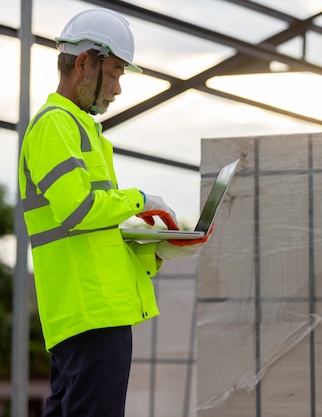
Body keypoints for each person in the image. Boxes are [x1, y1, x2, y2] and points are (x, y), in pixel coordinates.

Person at [18, 8, 208, 417]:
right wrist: (142, 199)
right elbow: (79, 211)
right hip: (91, 316)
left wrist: (156, 252)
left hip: (83, 314)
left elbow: (92, 237)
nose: (119, 88)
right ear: (84, 62)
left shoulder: (80, 130)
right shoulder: (56, 125)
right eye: (117, 72)